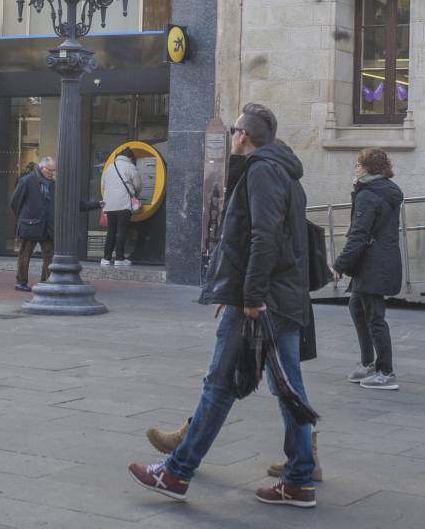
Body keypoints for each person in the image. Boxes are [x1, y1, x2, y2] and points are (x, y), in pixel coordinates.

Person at [129, 104, 318, 508]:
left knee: (220, 385)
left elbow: (264, 238)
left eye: (234, 130)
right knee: (286, 388)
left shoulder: (263, 171)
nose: (232, 136)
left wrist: (249, 298)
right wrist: (235, 292)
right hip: (274, 297)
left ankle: (177, 472)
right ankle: (300, 476)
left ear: (242, 135)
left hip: (265, 300)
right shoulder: (280, 171)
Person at [333, 147, 404, 391]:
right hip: (379, 260)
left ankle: (386, 372)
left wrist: (340, 265)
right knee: (357, 306)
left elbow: (359, 234)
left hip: (374, 263)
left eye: (359, 164)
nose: (356, 168)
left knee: (375, 317)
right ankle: (369, 363)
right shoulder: (383, 191)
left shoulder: (369, 194)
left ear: (368, 168)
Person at [10, 156, 56, 292]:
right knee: (25, 254)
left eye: (53, 171)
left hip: (47, 226)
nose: (51, 173)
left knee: (49, 254)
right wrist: (23, 218)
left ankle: (47, 281)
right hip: (30, 224)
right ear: (42, 167)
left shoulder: (53, 183)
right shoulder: (28, 180)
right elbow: (14, 201)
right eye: (49, 170)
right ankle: (21, 282)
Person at [100, 148, 141, 267]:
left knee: (111, 231)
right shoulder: (130, 167)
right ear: (130, 158)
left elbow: (103, 184)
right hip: (124, 203)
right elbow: (138, 185)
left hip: (110, 204)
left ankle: (106, 258)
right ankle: (119, 258)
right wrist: (135, 195)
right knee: (122, 230)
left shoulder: (109, 167)